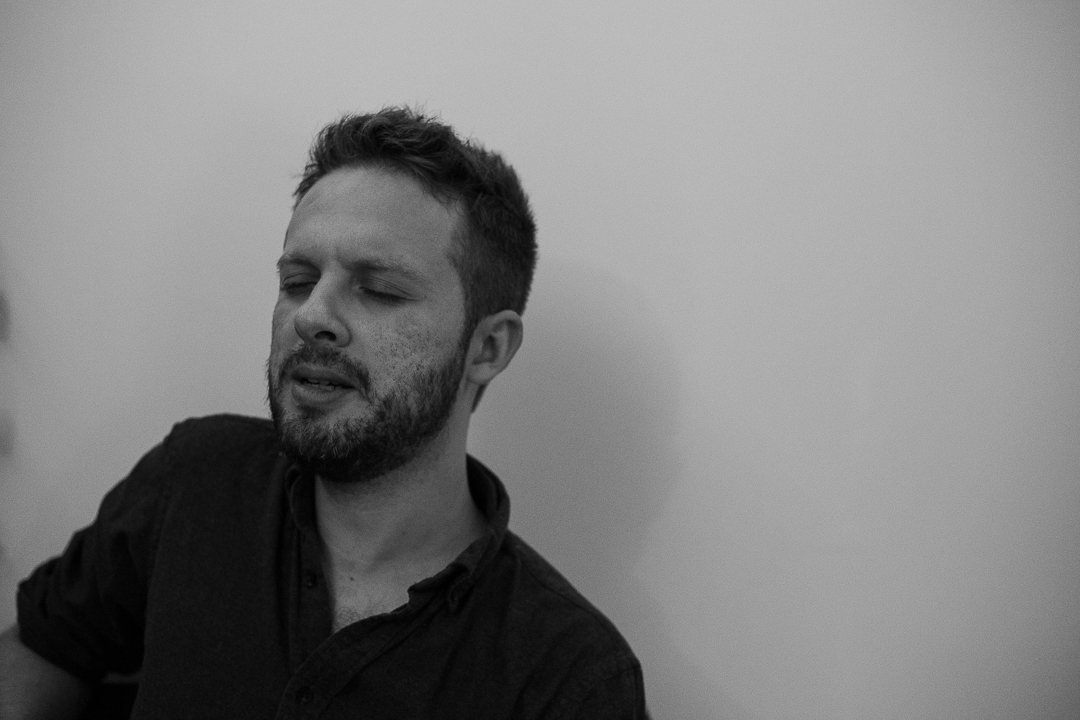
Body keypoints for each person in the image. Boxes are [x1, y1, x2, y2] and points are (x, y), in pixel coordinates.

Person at [0, 107, 646, 718]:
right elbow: (43, 647)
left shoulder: (569, 677)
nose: (311, 316)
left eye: (379, 289)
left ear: (487, 348)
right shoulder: (193, 483)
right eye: (298, 281)